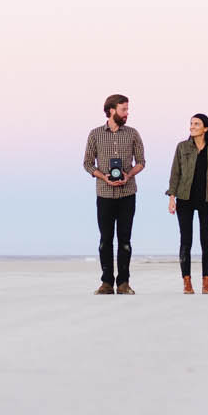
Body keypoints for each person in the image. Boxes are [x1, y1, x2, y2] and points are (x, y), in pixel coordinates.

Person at [82, 93, 144, 295]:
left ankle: (124, 283)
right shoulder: (95, 134)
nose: (127, 113)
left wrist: (129, 175)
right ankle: (106, 282)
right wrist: (103, 177)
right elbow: (87, 163)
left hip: (128, 193)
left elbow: (141, 162)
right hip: (104, 194)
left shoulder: (133, 133)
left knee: (125, 240)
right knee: (105, 239)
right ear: (111, 110)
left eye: (127, 109)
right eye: (123, 109)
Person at [166, 112, 208, 294]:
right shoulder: (182, 147)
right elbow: (175, 173)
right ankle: (187, 282)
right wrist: (172, 198)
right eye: (191, 123)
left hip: (207, 200)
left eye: (196, 124)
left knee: (206, 241)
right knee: (186, 241)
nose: (192, 126)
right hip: (185, 199)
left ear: (205, 128)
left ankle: (206, 282)